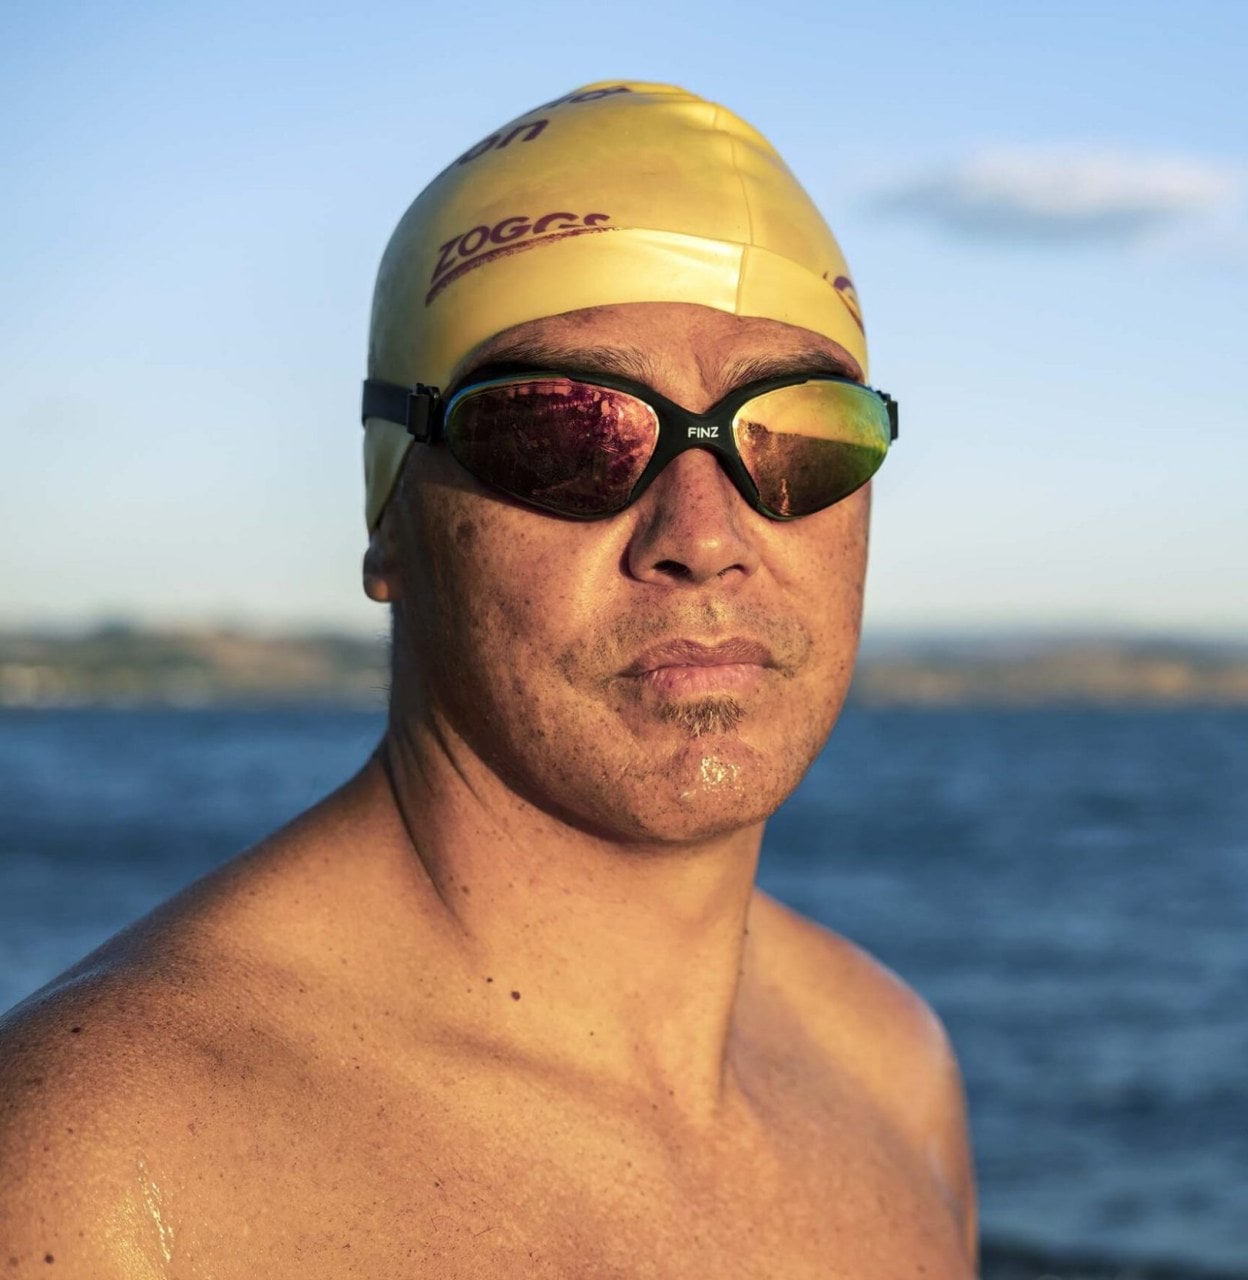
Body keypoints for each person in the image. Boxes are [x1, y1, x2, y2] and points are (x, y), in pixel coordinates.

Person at [0, 82, 977, 1277]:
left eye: (802, 432)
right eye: (567, 432)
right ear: (391, 520)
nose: (704, 531)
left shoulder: (896, 1074)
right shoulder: (96, 1166)